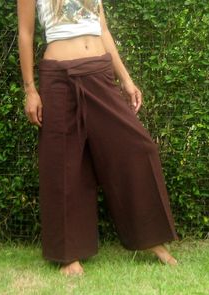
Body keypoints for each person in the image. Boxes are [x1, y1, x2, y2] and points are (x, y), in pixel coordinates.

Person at [17, 0, 179, 276]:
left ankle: (151, 240)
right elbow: (25, 33)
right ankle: (69, 255)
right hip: (58, 78)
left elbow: (102, 30)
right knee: (64, 163)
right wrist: (30, 90)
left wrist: (126, 80)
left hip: (99, 72)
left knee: (138, 149)